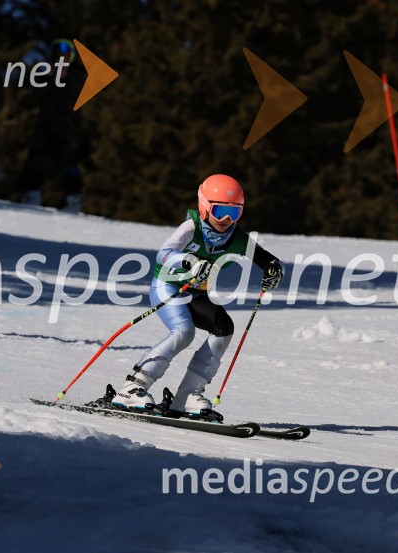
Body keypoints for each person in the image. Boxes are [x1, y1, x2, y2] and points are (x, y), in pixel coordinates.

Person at [113, 174, 285, 417]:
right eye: (219, 211)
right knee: (184, 332)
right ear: (204, 206)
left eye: (234, 213)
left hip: (196, 293)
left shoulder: (238, 238)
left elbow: (267, 259)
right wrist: (188, 261)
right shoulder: (191, 228)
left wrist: (275, 270)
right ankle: (133, 387)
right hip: (168, 285)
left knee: (223, 328)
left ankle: (186, 397)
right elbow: (163, 254)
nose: (226, 219)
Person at [18, 39, 86, 211]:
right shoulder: (46, 73)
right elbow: (36, 93)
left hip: (69, 125)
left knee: (69, 161)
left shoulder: (77, 74)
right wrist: (49, 76)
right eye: (57, 54)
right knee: (36, 159)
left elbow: (79, 91)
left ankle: (73, 200)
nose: (60, 58)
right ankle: (33, 195)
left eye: (64, 54)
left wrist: (65, 76)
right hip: (46, 123)